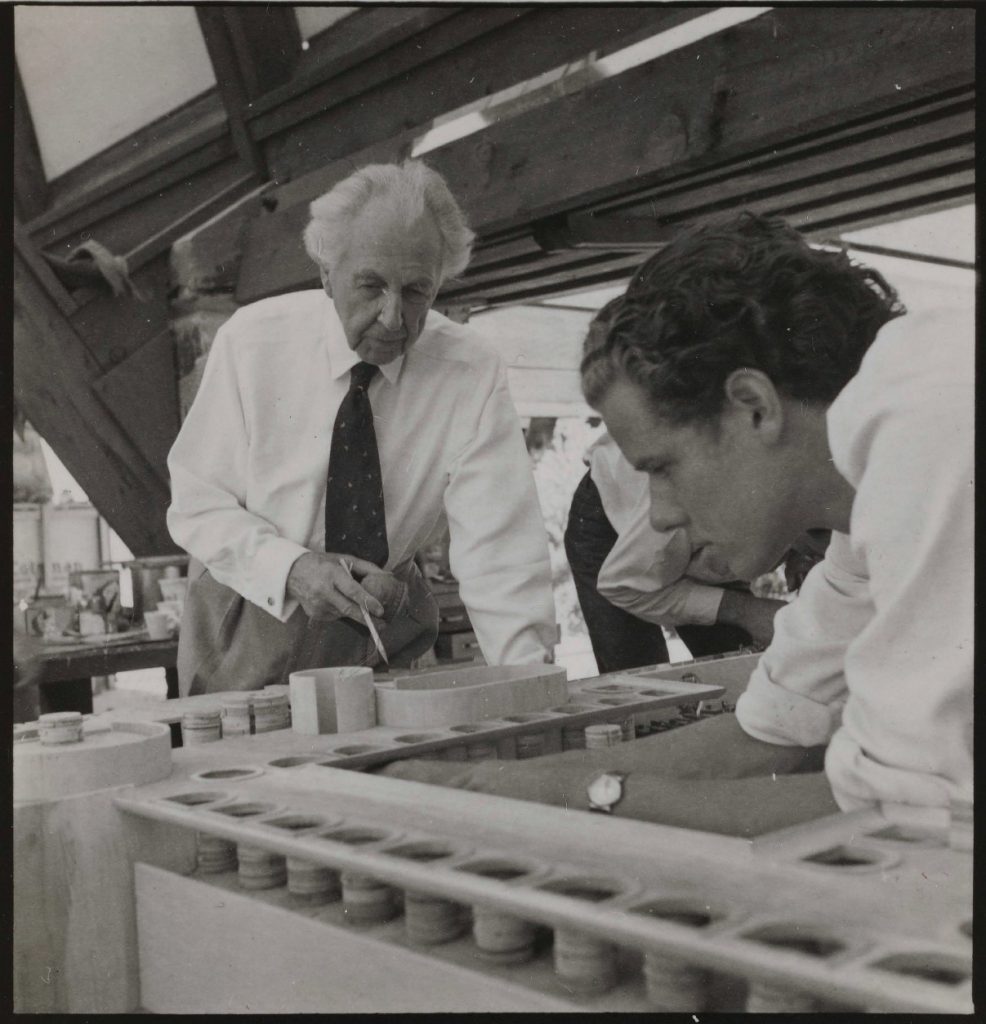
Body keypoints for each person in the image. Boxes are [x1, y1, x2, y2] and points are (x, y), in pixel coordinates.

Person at [380, 211, 973, 837]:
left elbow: (917, 813)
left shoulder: (933, 427)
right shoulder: (867, 478)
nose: (660, 514)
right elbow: (767, 730)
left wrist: (584, 795)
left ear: (753, 406)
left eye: (663, 468)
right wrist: (497, 783)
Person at [167, 160, 556, 695]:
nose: (393, 318)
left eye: (417, 291)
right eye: (370, 286)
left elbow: (503, 552)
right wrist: (293, 567)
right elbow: (197, 502)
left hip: (377, 616)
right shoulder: (252, 342)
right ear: (327, 273)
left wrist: (531, 686)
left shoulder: (471, 371)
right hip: (248, 605)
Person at [566, 303, 827, 674]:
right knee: (639, 678)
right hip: (614, 531)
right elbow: (623, 585)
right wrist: (744, 609)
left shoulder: (800, 475)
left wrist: (804, 555)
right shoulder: (672, 510)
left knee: (739, 664)